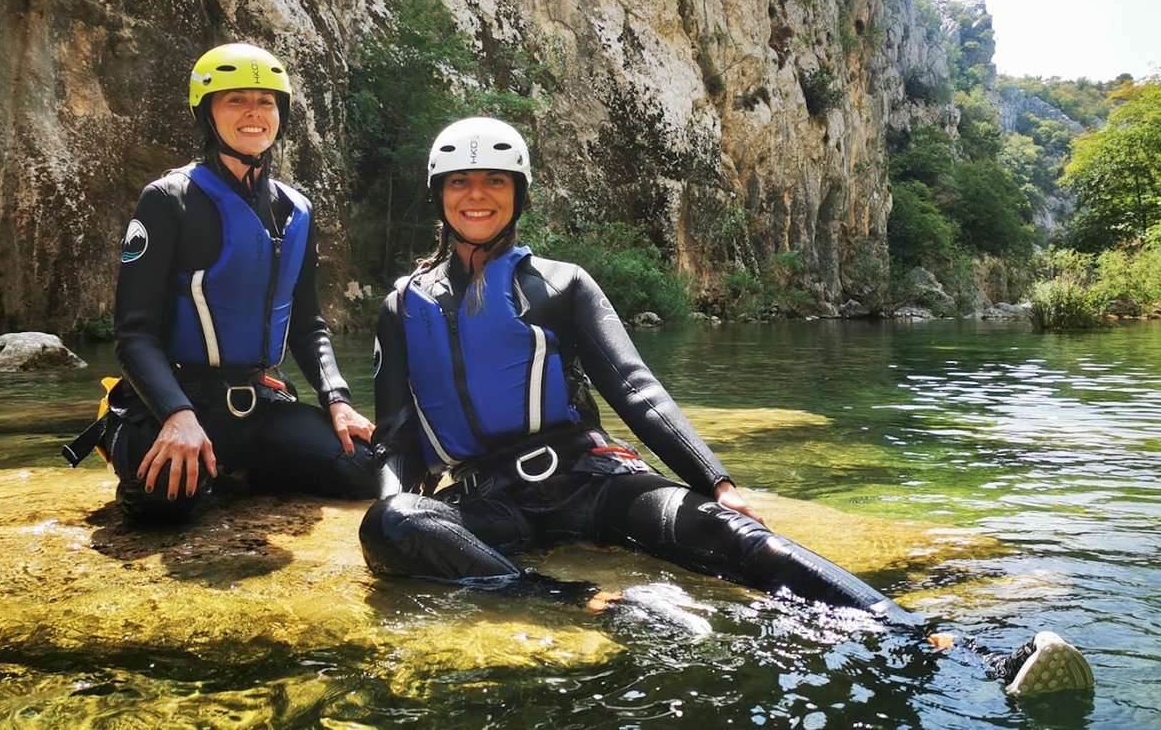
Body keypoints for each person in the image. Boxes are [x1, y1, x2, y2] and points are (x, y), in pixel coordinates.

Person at [359, 116, 1094, 696]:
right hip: (493, 506)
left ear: (519, 193)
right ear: (439, 193)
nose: (476, 195)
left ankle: (945, 645)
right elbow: (394, 440)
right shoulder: (401, 305)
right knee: (391, 520)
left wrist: (717, 482)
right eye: (460, 182)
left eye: (494, 180)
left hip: (592, 482)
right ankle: (573, 599)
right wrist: (399, 521)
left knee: (735, 538)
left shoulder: (561, 284)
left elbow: (636, 389)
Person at [75, 42, 376, 521]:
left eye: (266, 101)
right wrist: (176, 414)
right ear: (207, 114)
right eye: (235, 100)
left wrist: (338, 402)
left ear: (281, 114)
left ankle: (236, 467)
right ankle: (134, 439)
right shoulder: (168, 199)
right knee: (163, 505)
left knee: (365, 470)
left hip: (257, 403)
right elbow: (134, 333)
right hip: (179, 399)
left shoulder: (296, 210)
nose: (254, 113)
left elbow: (307, 324)